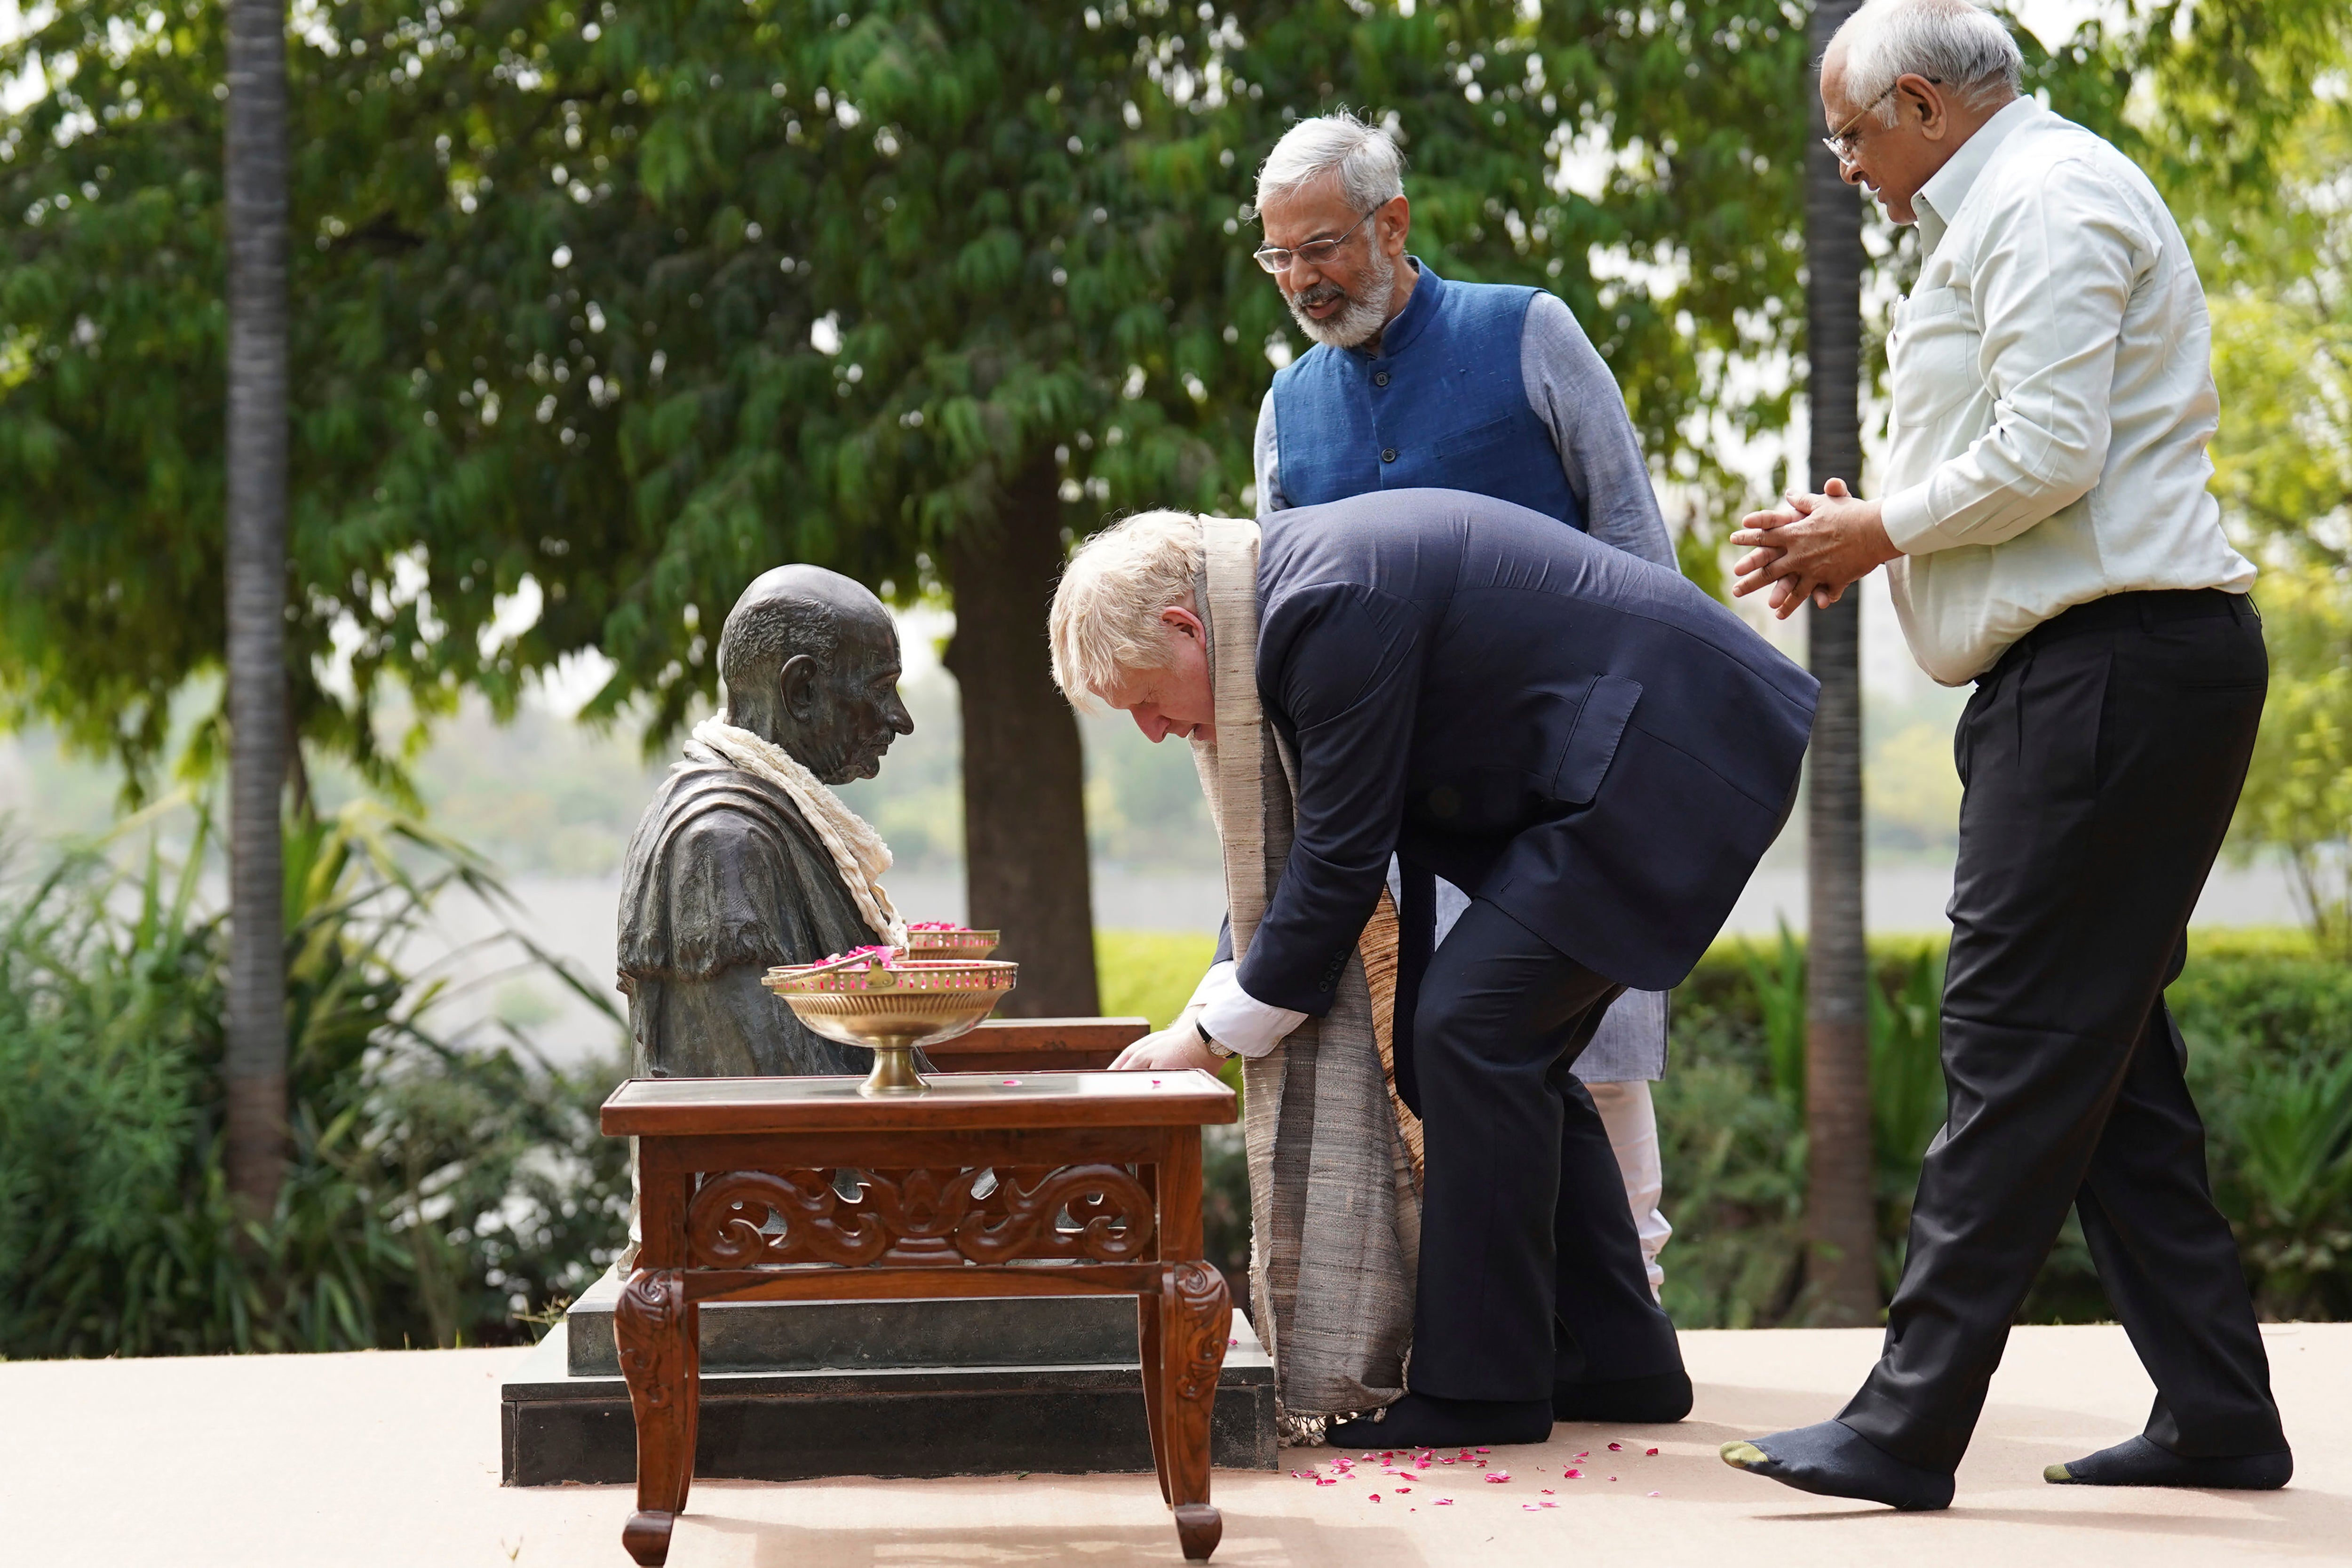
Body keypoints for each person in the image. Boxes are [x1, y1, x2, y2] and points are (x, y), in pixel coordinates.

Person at [1719, 0, 2290, 1511]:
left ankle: (1906, 1426)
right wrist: (1874, 528)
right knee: (2108, 1061)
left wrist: (1878, 525)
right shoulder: (2017, 205)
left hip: (2114, 673)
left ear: (1915, 103)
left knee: (2007, 1034)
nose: (1845, 169)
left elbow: (2050, 448)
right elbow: (2026, 453)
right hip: (2098, 672)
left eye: (1846, 138)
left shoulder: (2044, 197)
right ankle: (2219, 1412)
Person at [1051, 491, 1818, 1449]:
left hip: (1674, 744)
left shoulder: (1319, 608)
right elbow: (1296, 868)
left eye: (1146, 701)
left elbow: (1335, 861)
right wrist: (1208, 1012)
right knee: (1492, 1042)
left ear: (1182, 625)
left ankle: (1483, 1388)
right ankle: (1620, 1358)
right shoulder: (1285, 598)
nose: (1155, 732)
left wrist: (1205, 1039)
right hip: (1630, 757)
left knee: (1469, 1029)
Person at [1245, 108, 1679, 1304]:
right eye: (1278, 257)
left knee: (1595, 1076)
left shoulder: (1527, 331)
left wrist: (1631, 788)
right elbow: (1284, 633)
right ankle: (1493, 1344)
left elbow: (1640, 556)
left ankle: (1629, 1334)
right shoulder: (1289, 409)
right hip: (1398, 828)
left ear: (1392, 223)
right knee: (1442, 1089)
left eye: (1322, 247)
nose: (1301, 281)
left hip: (1568, 801)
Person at [616, 566, 915, 1078]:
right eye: (880, 689)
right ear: (801, 690)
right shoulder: (723, 843)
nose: (899, 719)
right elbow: (770, 1093)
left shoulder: (768, 819)